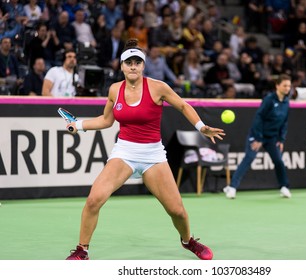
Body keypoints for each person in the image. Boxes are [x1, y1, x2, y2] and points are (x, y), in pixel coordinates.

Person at [65, 38, 224, 260]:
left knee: (176, 211)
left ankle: (188, 241)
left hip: (153, 155)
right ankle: (82, 250)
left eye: (137, 62)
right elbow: (106, 120)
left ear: (143, 66)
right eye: (128, 62)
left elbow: (182, 105)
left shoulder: (159, 87)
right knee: (94, 200)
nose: (133, 66)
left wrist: (201, 127)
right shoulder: (114, 90)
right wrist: (79, 125)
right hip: (125, 152)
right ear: (121, 66)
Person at [223, 74, 292, 199]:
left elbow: (284, 122)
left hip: (272, 138)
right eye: (284, 85)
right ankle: (232, 187)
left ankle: (284, 187)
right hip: (257, 135)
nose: (287, 88)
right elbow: (258, 118)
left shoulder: (286, 102)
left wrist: (281, 139)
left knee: (279, 161)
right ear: (277, 86)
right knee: (249, 158)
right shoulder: (269, 99)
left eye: (289, 86)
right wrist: (258, 138)